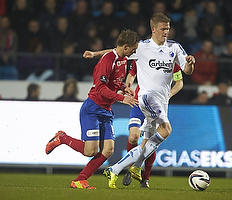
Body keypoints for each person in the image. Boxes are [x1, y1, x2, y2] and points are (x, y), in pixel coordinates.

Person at [83, 13, 195, 189]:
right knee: (163, 130)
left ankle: (124, 169)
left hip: (162, 101)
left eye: (168, 28)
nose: (166, 31)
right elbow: (116, 52)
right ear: (153, 29)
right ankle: (127, 168)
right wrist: (95, 53)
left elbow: (186, 73)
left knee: (147, 142)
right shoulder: (141, 48)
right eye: (163, 28)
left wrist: (190, 63)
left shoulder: (175, 48)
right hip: (146, 97)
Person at [45, 29, 140, 189]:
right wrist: (122, 98)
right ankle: (62, 138)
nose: (134, 52)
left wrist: (124, 88)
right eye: (133, 49)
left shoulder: (123, 60)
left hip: (106, 111)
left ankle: (79, 180)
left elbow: (114, 82)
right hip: (93, 109)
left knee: (108, 150)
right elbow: (100, 88)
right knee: (90, 151)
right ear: (125, 46)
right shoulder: (107, 60)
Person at [121, 60, 183, 188]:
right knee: (133, 137)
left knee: (149, 142)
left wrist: (169, 95)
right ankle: (133, 169)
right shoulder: (144, 55)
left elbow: (179, 83)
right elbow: (132, 73)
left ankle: (145, 178)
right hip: (139, 102)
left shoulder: (171, 60)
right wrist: (128, 86)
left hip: (157, 106)